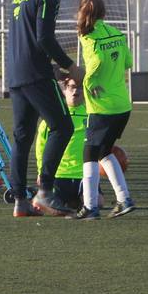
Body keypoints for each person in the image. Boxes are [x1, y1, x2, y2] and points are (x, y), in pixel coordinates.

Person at [6, 0, 83, 217]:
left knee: (22, 137)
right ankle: (45, 191)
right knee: (63, 126)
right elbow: (44, 39)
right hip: (36, 75)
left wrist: (52, 69)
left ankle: (19, 201)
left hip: (16, 75)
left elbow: (24, 38)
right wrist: (70, 66)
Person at [73, 0, 134, 219]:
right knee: (104, 153)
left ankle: (90, 207)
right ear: (104, 12)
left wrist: (89, 82)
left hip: (102, 107)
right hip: (122, 104)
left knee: (89, 154)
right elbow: (128, 62)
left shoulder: (88, 37)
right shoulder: (117, 33)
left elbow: (95, 62)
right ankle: (124, 199)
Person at [36, 77, 87, 211]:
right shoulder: (54, 118)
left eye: (80, 87)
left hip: (83, 174)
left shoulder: (91, 116)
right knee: (49, 206)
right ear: (64, 90)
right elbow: (41, 147)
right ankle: (35, 193)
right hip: (59, 174)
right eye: (72, 87)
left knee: (97, 203)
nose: (76, 91)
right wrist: (41, 172)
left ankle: (76, 199)